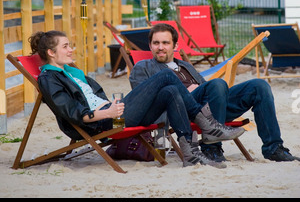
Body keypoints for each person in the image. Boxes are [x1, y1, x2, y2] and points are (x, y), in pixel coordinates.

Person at [32, 30, 245, 169]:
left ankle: (191, 154)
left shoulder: (72, 72)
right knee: (167, 75)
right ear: (51, 52)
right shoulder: (48, 78)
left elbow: (95, 96)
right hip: (104, 121)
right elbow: (70, 111)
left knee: (170, 90)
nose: (71, 49)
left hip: (112, 110)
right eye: (66, 46)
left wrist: (109, 107)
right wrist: (107, 112)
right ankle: (207, 125)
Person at [129, 23, 300, 163]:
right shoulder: (143, 68)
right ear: (150, 45)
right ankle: (211, 147)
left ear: (175, 45)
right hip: (182, 112)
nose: (160, 47)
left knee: (259, 85)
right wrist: (185, 94)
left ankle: (274, 148)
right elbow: (146, 105)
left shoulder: (185, 66)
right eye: (156, 43)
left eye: (165, 43)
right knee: (217, 83)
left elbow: (208, 91)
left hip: (212, 109)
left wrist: (201, 90)